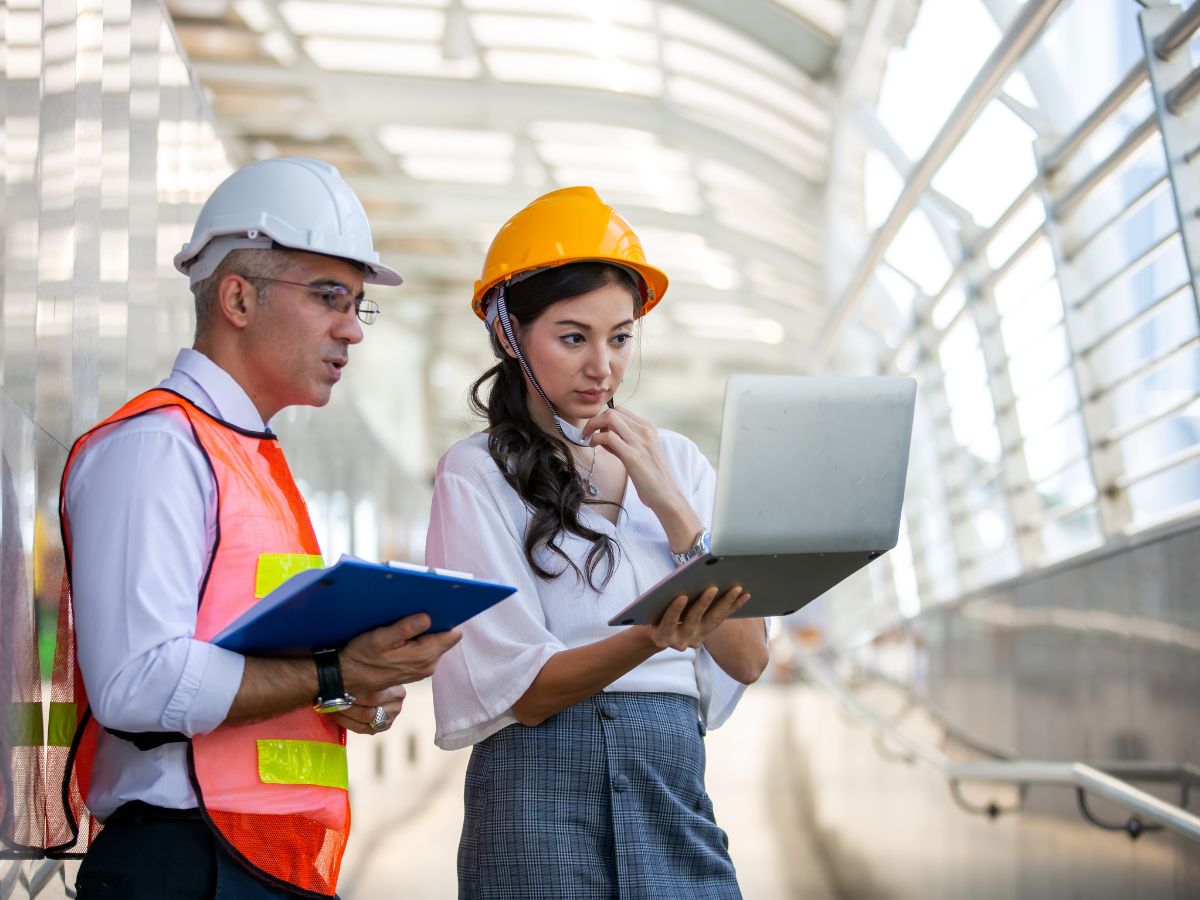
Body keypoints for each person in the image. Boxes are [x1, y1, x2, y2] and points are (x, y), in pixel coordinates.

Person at [55, 157, 462, 899]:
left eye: (358, 304)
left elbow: (246, 653)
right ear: (238, 298)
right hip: (185, 863)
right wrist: (336, 673)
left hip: (260, 859)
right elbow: (136, 684)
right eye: (329, 296)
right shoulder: (156, 448)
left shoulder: (249, 457)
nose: (352, 330)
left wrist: (343, 693)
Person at [426, 186, 770, 899]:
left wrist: (672, 504)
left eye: (619, 337)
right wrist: (655, 634)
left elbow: (749, 653)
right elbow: (520, 690)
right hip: (534, 798)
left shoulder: (677, 460)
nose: (602, 368)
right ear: (507, 334)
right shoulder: (477, 474)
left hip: (671, 786)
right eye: (573, 336)